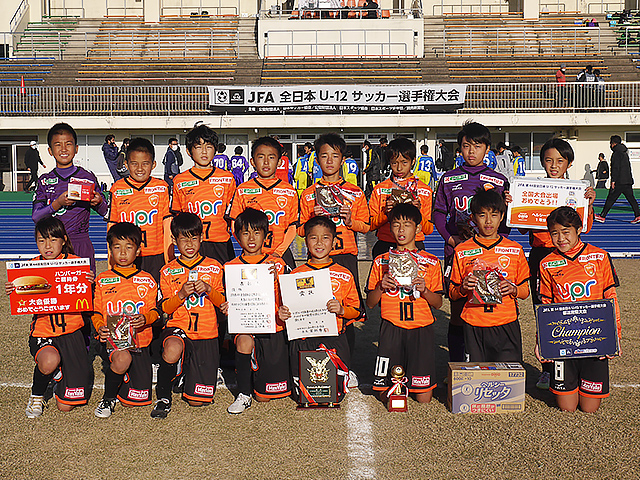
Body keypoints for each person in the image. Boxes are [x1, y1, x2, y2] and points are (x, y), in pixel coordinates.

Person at [433, 121, 510, 363]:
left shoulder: (499, 181)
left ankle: (486, 361)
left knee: (488, 308)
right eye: (466, 146)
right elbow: (438, 213)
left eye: (477, 146)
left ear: (487, 148)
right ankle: (457, 365)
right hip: (458, 252)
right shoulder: (448, 179)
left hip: (490, 255)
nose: (471, 151)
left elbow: (505, 222)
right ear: (460, 148)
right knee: (457, 308)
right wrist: (451, 239)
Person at [525, 137, 595, 389]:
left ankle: (575, 364)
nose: (554, 165)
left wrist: (589, 204)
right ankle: (547, 369)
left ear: (569, 163)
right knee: (544, 312)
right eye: (548, 160)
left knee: (573, 311)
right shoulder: (531, 190)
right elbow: (520, 225)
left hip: (569, 258)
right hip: (541, 256)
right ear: (542, 162)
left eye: (560, 161)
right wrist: (513, 204)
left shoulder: (578, 190)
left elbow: (585, 227)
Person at [5, 217, 93, 417]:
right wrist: (14, 288)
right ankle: (37, 395)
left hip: (71, 333)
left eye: (53, 240)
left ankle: (59, 374)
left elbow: (88, 301)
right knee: (49, 361)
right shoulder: (30, 268)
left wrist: (90, 283)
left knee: (66, 406)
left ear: (63, 240)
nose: (47, 246)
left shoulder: (75, 264)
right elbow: (24, 299)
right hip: (44, 332)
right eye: (41, 240)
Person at [537, 206, 621, 413]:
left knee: (590, 408)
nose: (560, 238)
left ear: (579, 229)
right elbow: (546, 305)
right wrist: (542, 341)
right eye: (554, 233)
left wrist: (614, 336)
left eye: (566, 232)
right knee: (567, 407)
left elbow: (611, 298)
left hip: (594, 337)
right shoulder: (546, 263)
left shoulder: (600, 256)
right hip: (563, 339)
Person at [299, 133, 368, 375]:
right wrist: (312, 218)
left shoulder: (355, 192)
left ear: (343, 159)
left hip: (345, 257)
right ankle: (316, 364)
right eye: (324, 156)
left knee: (345, 312)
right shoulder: (309, 193)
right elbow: (300, 230)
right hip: (316, 259)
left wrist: (350, 221)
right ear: (317, 160)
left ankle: (346, 367)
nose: (329, 161)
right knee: (316, 308)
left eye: (335, 156)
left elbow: (366, 225)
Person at [152, 213, 227, 418]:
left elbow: (223, 303)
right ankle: (163, 397)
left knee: (196, 401)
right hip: (179, 329)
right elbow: (165, 308)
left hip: (206, 334)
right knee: (172, 348)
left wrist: (209, 290)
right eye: (184, 239)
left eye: (194, 238)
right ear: (174, 240)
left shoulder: (214, 266)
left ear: (202, 238)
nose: (190, 244)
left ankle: (184, 372)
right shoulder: (167, 270)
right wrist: (181, 294)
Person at [279, 216, 361, 403]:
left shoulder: (344, 273)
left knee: (334, 393)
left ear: (334, 241)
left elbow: (356, 310)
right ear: (306, 241)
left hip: (334, 338)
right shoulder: (296, 274)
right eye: (313, 237)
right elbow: (287, 308)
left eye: (325, 237)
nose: (319, 243)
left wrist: (342, 310)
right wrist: (283, 313)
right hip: (304, 338)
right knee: (302, 394)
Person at [367, 203, 443, 404]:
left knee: (423, 398)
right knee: (386, 394)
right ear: (390, 228)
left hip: (421, 328)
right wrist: (380, 287)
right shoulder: (381, 261)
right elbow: (370, 303)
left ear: (418, 228)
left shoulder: (431, 261)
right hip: (391, 328)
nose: (401, 230)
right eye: (396, 224)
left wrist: (425, 291)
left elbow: (438, 303)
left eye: (407, 224)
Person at [449, 188, 530, 363]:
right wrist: (463, 288)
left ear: (502, 217)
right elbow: (452, 293)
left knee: (507, 376)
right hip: (473, 324)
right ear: (473, 218)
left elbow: (525, 292)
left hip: (506, 323)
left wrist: (513, 289)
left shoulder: (515, 249)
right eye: (482, 215)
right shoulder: (462, 250)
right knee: (477, 376)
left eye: (494, 215)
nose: (488, 221)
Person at [225, 208, 291, 414]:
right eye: (245, 233)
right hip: (246, 326)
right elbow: (228, 299)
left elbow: (290, 297)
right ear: (237, 236)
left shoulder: (277, 264)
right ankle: (244, 393)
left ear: (266, 235)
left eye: (257, 232)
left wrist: (283, 307)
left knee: (264, 396)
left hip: (273, 328)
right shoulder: (231, 267)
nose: (251, 238)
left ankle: (257, 368)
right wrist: (226, 306)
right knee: (244, 340)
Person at [92, 223, 159, 418]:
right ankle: (108, 399)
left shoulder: (147, 280)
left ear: (138, 251)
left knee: (136, 401)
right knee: (123, 359)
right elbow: (96, 312)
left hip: (141, 342)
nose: (122, 253)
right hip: (114, 343)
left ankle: (124, 377)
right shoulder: (102, 279)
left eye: (128, 247)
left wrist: (145, 318)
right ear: (110, 250)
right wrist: (100, 327)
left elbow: (155, 311)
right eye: (117, 247)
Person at [32, 123, 109, 273]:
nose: (63, 149)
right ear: (50, 151)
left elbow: (106, 212)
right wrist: (58, 203)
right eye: (58, 145)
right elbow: (36, 216)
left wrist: (98, 202)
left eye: (68, 144)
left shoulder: (88, 177)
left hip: (81, 243)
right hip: (54, 245)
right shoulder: (44, 181)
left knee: (85, 285)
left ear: (76, 148)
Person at [226, 136, 299, 270]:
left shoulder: (289, 191)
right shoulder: (242, 190)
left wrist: (278, 253)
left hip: (281, 255)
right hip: (251, 255)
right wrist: (248, 248)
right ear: (252, 162)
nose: (266, 162)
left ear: (279, 162)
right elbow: (235, 224)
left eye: (271, 157)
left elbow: (292, 227)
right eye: (260, 157)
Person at [109, 137, 173, 283]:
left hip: (156, 255)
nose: (139, 168)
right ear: (126, 164)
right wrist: (111, 263)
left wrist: (168, 257)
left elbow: (167, 224)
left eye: (145, 163)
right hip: (127, 256)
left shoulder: (162, 187)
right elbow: (112, 227)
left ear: (153, 164)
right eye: (134, 163)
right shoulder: (117, 189)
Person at [171, 124, 236, 265]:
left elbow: (233, 215)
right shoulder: (180, 180)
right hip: (192, 244)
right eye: (198, 147)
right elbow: (177, 216)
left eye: (209, 146)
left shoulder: (227, 178)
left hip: (221, 243)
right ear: (189, 151)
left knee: (223, 279)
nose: (204, 151)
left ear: (215, 149)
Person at [369, 137, 433, 260]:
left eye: (404, 162)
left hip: (415, 245)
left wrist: (417, 213)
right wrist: (385, 213)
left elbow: (429, 229)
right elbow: (370, 226)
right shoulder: (380, 189)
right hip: (385, 244)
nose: (399, 168)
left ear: (413, 161)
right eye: (394, 163)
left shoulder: (424, 190)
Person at [595, 135, 640, 224]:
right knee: (631, 199)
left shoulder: (616, 154)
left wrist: (613, 180)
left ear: (613, 143)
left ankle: (602, 216)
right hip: (627, 180)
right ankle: (638, 215)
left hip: (619, 181)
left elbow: (615, 168)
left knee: (611, 198)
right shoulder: (624, 153)